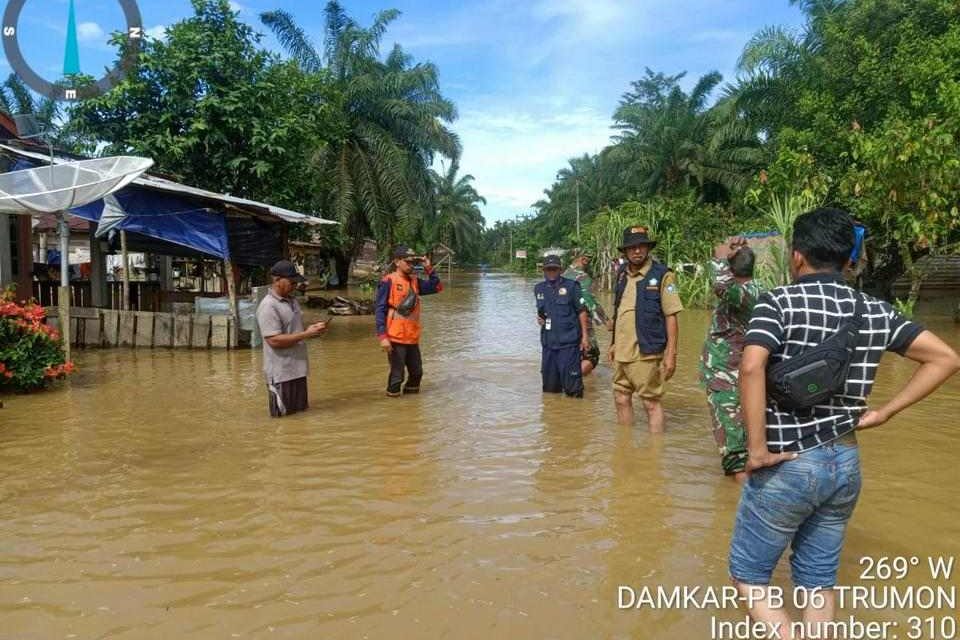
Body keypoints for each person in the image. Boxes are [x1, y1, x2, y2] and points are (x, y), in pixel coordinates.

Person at [728, 207, 960, 633]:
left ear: (797, 256)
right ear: (846, 257)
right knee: (818, 579)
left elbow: (750, 367)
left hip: (788, 461)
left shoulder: (776, 302)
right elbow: (946, 358)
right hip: (845, 464)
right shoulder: (875, 310)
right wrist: (887, 411)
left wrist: (757, 450)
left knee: (749, 575)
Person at [699, 238, 763, 480]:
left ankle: (743, 507)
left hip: (728, 379)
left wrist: (718, 257)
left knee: (736, 453)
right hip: (729, 377)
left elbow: (721, 286)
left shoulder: (743, 294)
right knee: (736, 446)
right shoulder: (755, 290)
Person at [608, 226, 683, 432]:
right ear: (625, 251)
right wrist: (613, 343)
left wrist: (671, 354)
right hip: (622, 351)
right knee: (621, 397)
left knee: (651, 403)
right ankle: (626, 448)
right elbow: (619, 309)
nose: (637, 251)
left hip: (646, 352)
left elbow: (671, 315)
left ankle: (654, 455)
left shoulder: (662, 275)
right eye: (632, 247)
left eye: (641, 246)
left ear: (647, 248)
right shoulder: (622, 274)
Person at [255, 260, 328, 417]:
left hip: (298, 370)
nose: (295, 285)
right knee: (282, 422)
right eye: (291, 282)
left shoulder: (292, 301)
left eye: (296, 282)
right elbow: (273, 340)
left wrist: (313, 330)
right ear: (276, 280)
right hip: (281, 374)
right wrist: (306, 334)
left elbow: (295, 329)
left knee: (300, 418)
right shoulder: (268, 306)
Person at [375, 245, 442, 397]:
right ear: (397, 262)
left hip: (412, 337)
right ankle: (393, 409)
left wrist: (428, 267)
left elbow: (437, 287)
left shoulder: (415, 282)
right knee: (397, 376)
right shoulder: (388, 281)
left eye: (413, 262)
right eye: (408, 262)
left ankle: (410, 409)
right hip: (395, 337)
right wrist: (382, 337)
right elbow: (380, 309)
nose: (411, 265)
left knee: (417, 373)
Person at [536, 255, 589, 398]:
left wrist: (585, 337)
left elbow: (582, 311)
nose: (551, 272)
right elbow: (542, 313)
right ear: (543, 270)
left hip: (569, 345)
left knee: (573, 391)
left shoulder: (572, 286)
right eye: (548, 269)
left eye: (554, 269)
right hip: (548, 345)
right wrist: (540, 319)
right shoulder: (539, 289)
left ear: (560, 270)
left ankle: (576, 418)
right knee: (549, 392)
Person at [563, 249, 611, 376]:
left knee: (574, 353)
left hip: (564, 322)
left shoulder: (563, 275)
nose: (589, 262)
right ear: (583, 259)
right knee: (591, 356)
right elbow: (589, 301)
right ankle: (571, 378)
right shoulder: (583, 277)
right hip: (581, 320)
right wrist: (606, 321)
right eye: (588, 259)